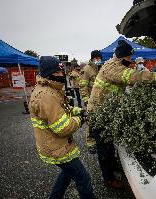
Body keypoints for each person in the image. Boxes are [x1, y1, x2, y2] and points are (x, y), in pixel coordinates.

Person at [87, 40, 156, 189]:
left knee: (109, 144)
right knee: (104, 148)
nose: (131, 61)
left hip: (107, 110)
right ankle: (109, 179)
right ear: (121, 58)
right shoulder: (113, 68)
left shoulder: (116, 64)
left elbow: (127, 84)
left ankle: (113, 171)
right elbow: (134, 76)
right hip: (99, 112)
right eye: (129, 59)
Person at [29, 56, 95, 199]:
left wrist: (79, 111)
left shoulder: (50, 88)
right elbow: (63, 127)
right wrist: (81, 119)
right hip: (56, 148)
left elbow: (62, 109)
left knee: (66, 175)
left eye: (62, 71)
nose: (62, 74)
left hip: (55, 145)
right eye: (58, 72)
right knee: (83, 178)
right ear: (49, 74)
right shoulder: (46, 95)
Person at [79, 50, 103, 148]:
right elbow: (83, 86)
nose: (99, 60)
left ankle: (99, 138)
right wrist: (86, 100)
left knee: (99, 120)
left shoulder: (100, 68)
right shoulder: (87, 69)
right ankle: (91, 142)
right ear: (92, 58)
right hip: (91, 100)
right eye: (97, 58)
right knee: (91, 121)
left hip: (100, 99)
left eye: (100, 58)